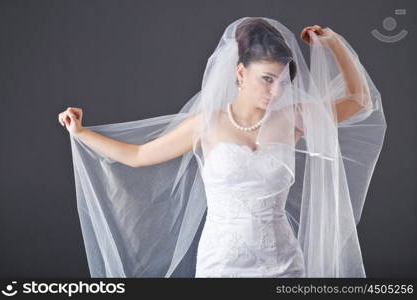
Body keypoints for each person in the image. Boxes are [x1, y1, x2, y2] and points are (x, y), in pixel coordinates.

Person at [58, 17, 387, 277]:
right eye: (267, 79)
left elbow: (359, 99)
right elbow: (139, 156)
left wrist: (333, 44)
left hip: (283, 263)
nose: (275, 92)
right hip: (221, 264)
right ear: (241, 73)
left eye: (283, 81)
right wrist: (81, 132)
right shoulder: (207, 124)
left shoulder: (293, 120)